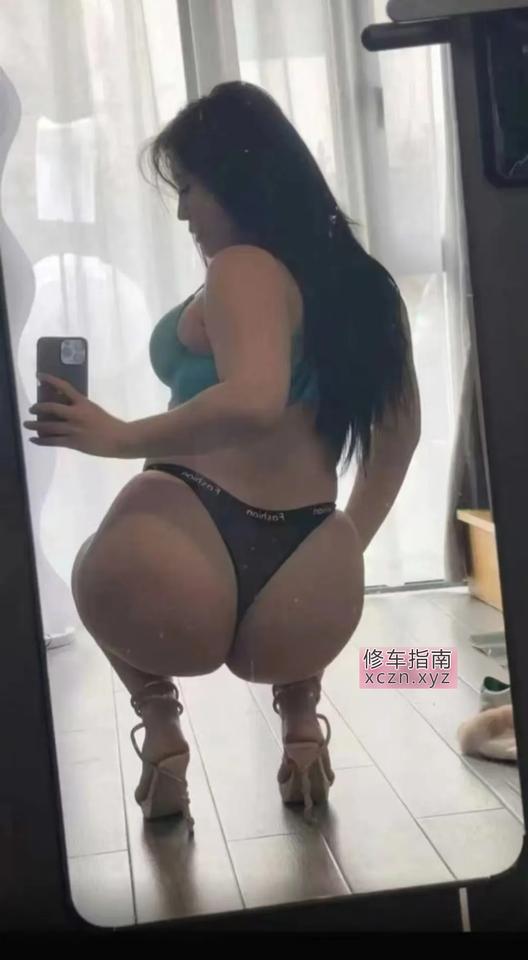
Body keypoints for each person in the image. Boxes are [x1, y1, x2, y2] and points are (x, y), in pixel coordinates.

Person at [24, 81, 420, 833]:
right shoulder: (368, 287)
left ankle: (161, 727)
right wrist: (341, 549)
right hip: (311, 575)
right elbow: (399, 441)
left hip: (186, 540)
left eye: (189, 189)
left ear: (239, 180)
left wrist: (118, 435)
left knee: (87, 565)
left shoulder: (241, 267)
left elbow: (255, 397)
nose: (182, 213)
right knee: (280, 633)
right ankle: (300, 723)